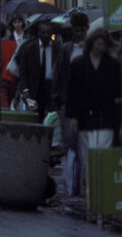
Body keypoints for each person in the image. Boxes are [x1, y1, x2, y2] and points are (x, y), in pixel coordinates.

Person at [65, 29, 120, 193]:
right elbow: (72, 91)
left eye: (103, 43)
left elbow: (118, 92)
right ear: (92, 43)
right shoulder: (78, 64)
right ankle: (91, 188)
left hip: (106, 116)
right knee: (87, 155)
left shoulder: (113, 65)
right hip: (85, 116)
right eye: (98, 42)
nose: (100, 45)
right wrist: (73, 116)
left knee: (103, 152)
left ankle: (101, 189)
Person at [51, 11, 89, 196]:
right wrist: (57, 101)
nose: (79, 33)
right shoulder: (66, 49)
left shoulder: (91, 48)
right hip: (68, 100)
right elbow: (58, 75)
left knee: (84, 143)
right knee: (71, 144)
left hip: (87, 102)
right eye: (76, 29)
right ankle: (73, 186)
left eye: (81, 29)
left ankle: (81, 184)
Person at [13, 21, 59, 118]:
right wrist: (25, 89)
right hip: (35, 88)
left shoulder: (57, 48)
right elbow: (23, 71)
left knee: (51, 116)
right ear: (38, 33)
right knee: (36, 115)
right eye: (43, 33)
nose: (46, 35)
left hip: (51, 87)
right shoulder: (30, 48)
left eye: (48, 33)